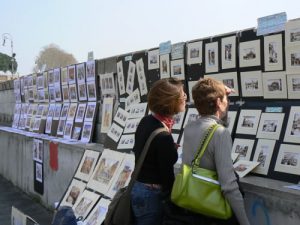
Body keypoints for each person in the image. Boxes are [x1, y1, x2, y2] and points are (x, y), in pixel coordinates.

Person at [182, 77, 250, 225]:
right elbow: (229, 186)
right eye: (226, 100)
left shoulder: (189, 128)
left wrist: (219, 96)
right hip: (214, 212)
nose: (228, 103)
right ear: (219, 103)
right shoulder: (220, 133)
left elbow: (217, 121)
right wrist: (244, 221)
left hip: (194, 207)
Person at [131, 77, 187, 225]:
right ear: (171, 102)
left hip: (138, 188)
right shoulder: (163, 136)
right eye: (182, 95)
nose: (185, 98)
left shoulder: (146, 121)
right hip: (151, 196)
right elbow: (167, 177)